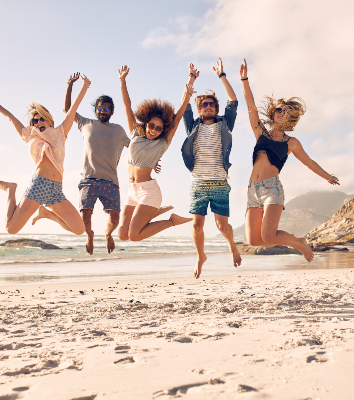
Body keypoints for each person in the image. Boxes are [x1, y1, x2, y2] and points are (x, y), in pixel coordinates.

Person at [239, 60, 340, 261]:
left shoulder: (291, 142)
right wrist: (244, 79)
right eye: (278, 109)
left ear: (290, 117)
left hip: (272, 189)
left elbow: (309, 162)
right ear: (273, 113)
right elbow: (250, 106)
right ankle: (298, 241)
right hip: (252, 189)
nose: (281, 113)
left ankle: (299, 243)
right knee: (254, 241)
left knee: (268, 235)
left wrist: (327, 176)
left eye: (285, 111)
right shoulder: (261, 133)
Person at [63, 73, 169, 255]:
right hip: (88, 179)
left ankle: (108, 234)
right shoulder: (85, 123)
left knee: (115, 217)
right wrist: (69, 86)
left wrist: (153, 161)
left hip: (110, 180)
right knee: (85, 214)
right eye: (100, 108)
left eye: (107, 109)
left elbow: (139, 148)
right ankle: (89, 235)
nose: (103, 111)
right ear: (96, 110)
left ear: (112, 111)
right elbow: (68, 110)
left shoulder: (119, 130)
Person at [0, 75, 92, 235]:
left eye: (41, 119)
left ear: (49, 120)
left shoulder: (59, 133)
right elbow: (10, 118)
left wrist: (85, 86)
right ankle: (11, 189)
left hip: (56, 190)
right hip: (38, 186)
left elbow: (72, 109)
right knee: (11, 229)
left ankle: (46, 214)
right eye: (34, 121)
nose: (38, 123)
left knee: (79, 229)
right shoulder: (29, 136)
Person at [117, 66, 194, 242]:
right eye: (151, 125)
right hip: (131, 190)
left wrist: (189, 87)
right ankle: (151, 213)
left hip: (148, 192)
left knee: (134, 235)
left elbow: (177, 117)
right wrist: (122, 81)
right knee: (122, 235)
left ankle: (172, 221)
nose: (154, 130)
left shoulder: (162, 143)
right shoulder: (135, 132)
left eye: (159, 128)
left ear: (163, 130)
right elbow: (127, 106)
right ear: (145, 123)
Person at [182, 59, 242, 279]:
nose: (208, 107)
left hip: (219, 182)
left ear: (216, 108)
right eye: (204, 105)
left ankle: (232, 245)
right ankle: (200, 256)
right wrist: (191, 79)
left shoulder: (225, 124)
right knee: (197, 225)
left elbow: (233, 100)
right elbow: (184, 104)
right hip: (198, 183)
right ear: (200, 110)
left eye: (211, 104)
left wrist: (222, 75)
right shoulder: (192, 126)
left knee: (220, 225)